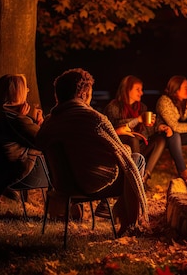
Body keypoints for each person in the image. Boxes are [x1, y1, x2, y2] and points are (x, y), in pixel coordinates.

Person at [36, 68, 149, 236]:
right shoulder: (95, 120)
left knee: (128, 162)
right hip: (93, 184)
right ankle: (129, 223)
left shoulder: (49, 122)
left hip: (62, 185)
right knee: (136, 160)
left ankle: (119, 210)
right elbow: (121, 154)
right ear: (83, 94)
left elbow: (40, 143)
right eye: (90, 93)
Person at [0, 74, 48, 200]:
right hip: (19, 173)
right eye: (25, 88)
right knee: (60, 163)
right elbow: (43, 141)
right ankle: (64, 208)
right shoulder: (15, 120)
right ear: (17, 92)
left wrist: (27, 121)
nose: (28, 91)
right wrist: (35, 124)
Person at [104, 75, 172, 185]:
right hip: (122, 148)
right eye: (137, 89)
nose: (141, 93)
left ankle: (143, 177)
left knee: (160, 140)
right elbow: (115, 126)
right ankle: (135, 179)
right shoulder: (114, 106)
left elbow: (146, 132)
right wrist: (138, 119)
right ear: (127, 90)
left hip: (139, 147)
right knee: (133, 138)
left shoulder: (142, 108)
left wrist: (158, 127)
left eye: (141, 89)